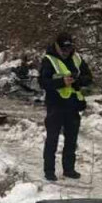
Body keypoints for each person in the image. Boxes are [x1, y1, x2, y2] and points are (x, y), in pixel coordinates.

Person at [39, 32, 93, 181]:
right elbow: (43, 82)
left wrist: (78, 81)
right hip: (55, 104)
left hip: (73, 105)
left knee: (71, 140)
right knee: (52, 139)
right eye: (63, 49)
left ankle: (69, 169)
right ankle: (49, 171)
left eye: (68, 49)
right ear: (57, 46)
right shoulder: (49, 60)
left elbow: (89, 78)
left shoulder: (76, 58)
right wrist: (62, 82)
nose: (66, 52)